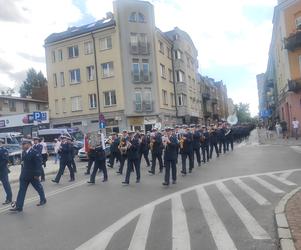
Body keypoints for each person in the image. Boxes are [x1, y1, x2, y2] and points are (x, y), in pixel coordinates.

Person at [10, 139, 46, 212]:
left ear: (29, 144)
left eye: (24, 144)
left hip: (33, 175)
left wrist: (37, 174)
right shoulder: (23, 152)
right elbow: (23, 164)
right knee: (21, 190)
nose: (22, 145)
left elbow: (38, 164)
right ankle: (19, 207)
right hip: (24, 175)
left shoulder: (35, 152)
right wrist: (21, 174)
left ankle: (43, 199)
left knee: (38, 188)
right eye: (22, 144)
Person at [0, 139, 12, 205]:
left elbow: (5, 160)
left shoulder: (4, 150)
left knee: (6, 185)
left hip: (2, 170)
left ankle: (9, 198)